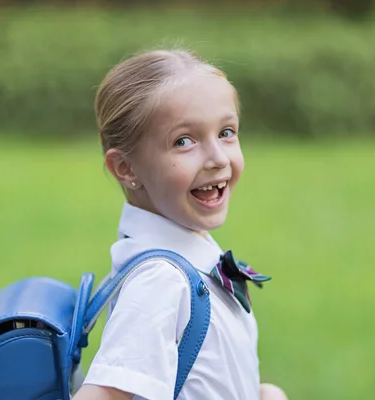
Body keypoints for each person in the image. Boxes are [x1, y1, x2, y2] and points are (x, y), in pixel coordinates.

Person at [72, 49, 288, 400]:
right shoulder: (162, 280)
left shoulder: (183, 257)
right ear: (126, 168)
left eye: (227, 132)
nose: (218, 159)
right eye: (183, 141)